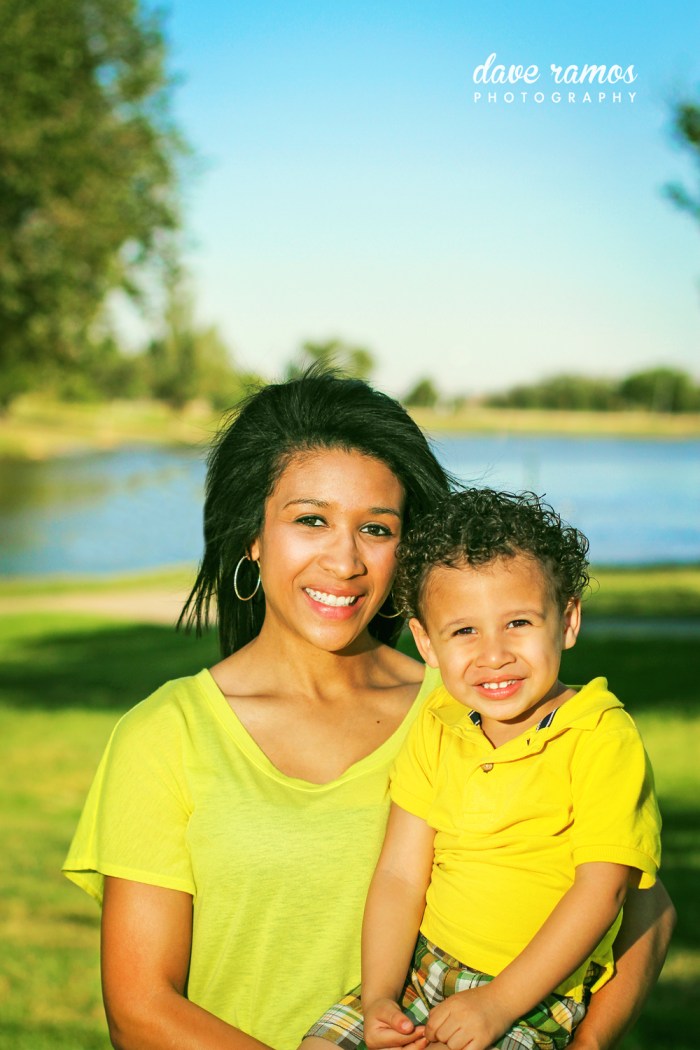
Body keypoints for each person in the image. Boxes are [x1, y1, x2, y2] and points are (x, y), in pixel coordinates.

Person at [62, 372, 674, 1050]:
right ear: (254, 537)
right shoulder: (164, 735)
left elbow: (647, 909)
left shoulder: (473, 711)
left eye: (376, 529)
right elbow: (140, 1011)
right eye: (311, 519)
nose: (345, 560)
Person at [304, 488, 662, 1050]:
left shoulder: (599, 735)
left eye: (518, 622)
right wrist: (379, 997)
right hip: (422, 973)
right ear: (426, 642)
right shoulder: (439, 722)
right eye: (464, 631)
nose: (493, 654)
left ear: (566, 621)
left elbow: (603, 891)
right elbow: (400, 874)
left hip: (532, 994)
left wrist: (499, 1003)